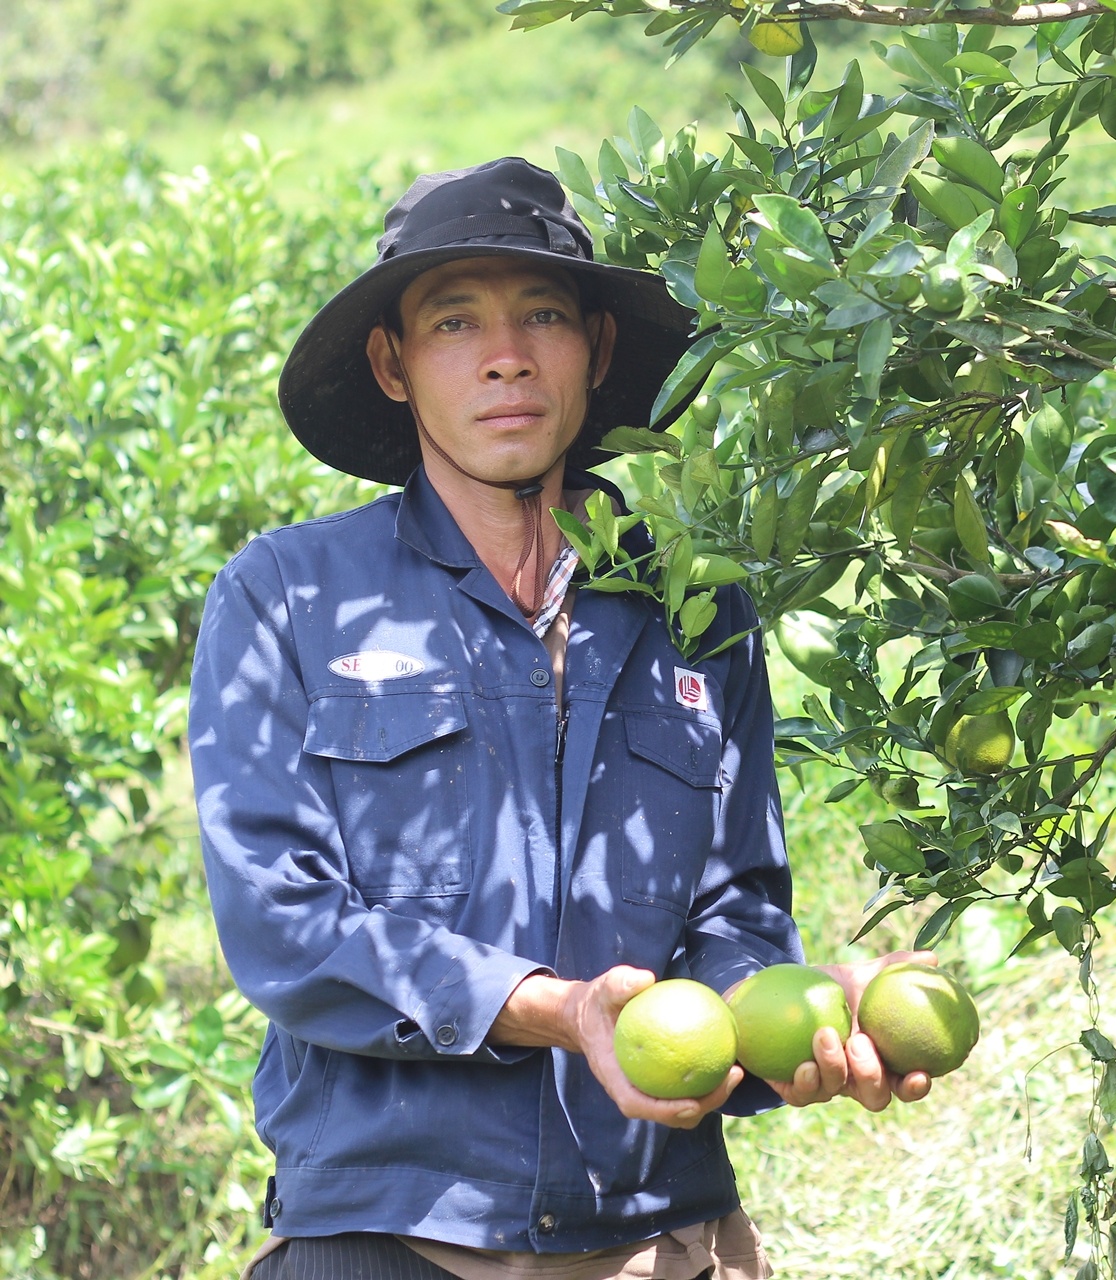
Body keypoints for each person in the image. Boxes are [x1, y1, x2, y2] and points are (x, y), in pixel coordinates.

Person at [188, 157, 932, 1280]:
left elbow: (736, 908)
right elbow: (283, 921)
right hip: (389, 1230)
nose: (506, 356)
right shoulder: (289, 595)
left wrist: (799, 1017)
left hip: (653, 1233)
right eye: (455, 322)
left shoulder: (693, 602)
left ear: (597, 347)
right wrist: (561, 1008)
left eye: (542, 315)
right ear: (393, 365)